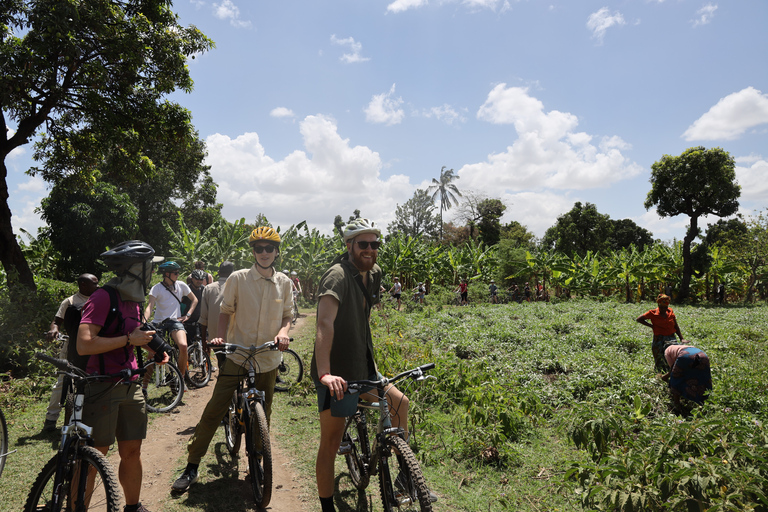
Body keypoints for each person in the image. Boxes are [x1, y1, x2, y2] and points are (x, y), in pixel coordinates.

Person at [310, 218, 436, 512]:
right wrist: (326, 373)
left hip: (365, 366)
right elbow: (324, 324)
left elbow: (363, 315)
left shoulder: (375, 273)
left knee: (400, 404)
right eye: (363, 244)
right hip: (338, 375)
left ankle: (406, 480)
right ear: (349, 245)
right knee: (330, 443)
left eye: (374, 244)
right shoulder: (336, 277)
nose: (370, 249)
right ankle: (327, 507)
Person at [172, 227, 292, 492]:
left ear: (276, 252)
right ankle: (192, 465)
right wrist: (219, 338)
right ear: (253, 251)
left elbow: (287, 315)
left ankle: (258, 461)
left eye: (269, 248)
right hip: (238, 355)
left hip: (268, 357)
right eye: (258, 248)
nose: (264, 253)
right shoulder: (238, 278)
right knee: (215, 409)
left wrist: (283, 333)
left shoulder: (284, 282)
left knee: (265, 413)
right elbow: (225, 312)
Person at [77, 240, 168, 512]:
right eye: (149, 267)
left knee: (132, 452)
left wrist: (154, 348)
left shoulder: (135, 301)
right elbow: (85, 344)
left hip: (131, 386)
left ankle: (133, 507)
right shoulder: (103, 297)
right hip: (103, 387)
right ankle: (76, 507)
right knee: (95, 458)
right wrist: (129, 338)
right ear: (135, 269)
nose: (152, 272)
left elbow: (135, 334)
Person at [43, 273, 99, 431]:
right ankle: (51, 419)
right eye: (94, 284)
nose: (97, 286)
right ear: (83, 285)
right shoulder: (70, 302)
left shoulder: (98, 299)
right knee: (63, 382)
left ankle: (88, 416)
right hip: (71, 346)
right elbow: (57, 321)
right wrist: (53, 330)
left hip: (94, 346)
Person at [144, 261, 198, 385]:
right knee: (151, 354)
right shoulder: (157, 288)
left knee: (183, 346)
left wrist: (188, 315)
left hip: (175, 321)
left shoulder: (181, 285)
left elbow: (194, 299)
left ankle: (181, 379)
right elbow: (150, 307)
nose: (178, 275)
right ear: (167, 274)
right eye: (175, 273)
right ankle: (144, 387)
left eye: (178, 272)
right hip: (159, 323)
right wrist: (144, 322)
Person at [199, 261, 235, 370]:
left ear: (218, 273)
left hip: (215, 338)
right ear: (233, 273)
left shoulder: (208, 288)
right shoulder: (236, 287)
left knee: (221, 361)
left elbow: (203, 318)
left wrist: (205, 341)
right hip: (235, 337)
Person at [636, 294, 684, 371]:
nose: (663, 309)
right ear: (658, 305)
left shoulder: (670, 312)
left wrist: (681, 338)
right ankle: (659, 373)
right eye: (661, 307)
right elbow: (639, 319)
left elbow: (676, 326)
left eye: (665, 307)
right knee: (658, 357)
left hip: (671, 338)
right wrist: (651, 326)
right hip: (659, 338)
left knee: (672, 357)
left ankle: (671, 372)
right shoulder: (652, 313)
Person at [183, 269, 207, 347]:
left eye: (201, 279)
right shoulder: (186, 289)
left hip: (200, 321)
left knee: (205, 343)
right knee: (187, 345)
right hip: (187, 321)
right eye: (197, 279)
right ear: (192, 279)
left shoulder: (204, 289)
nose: (199, 281)